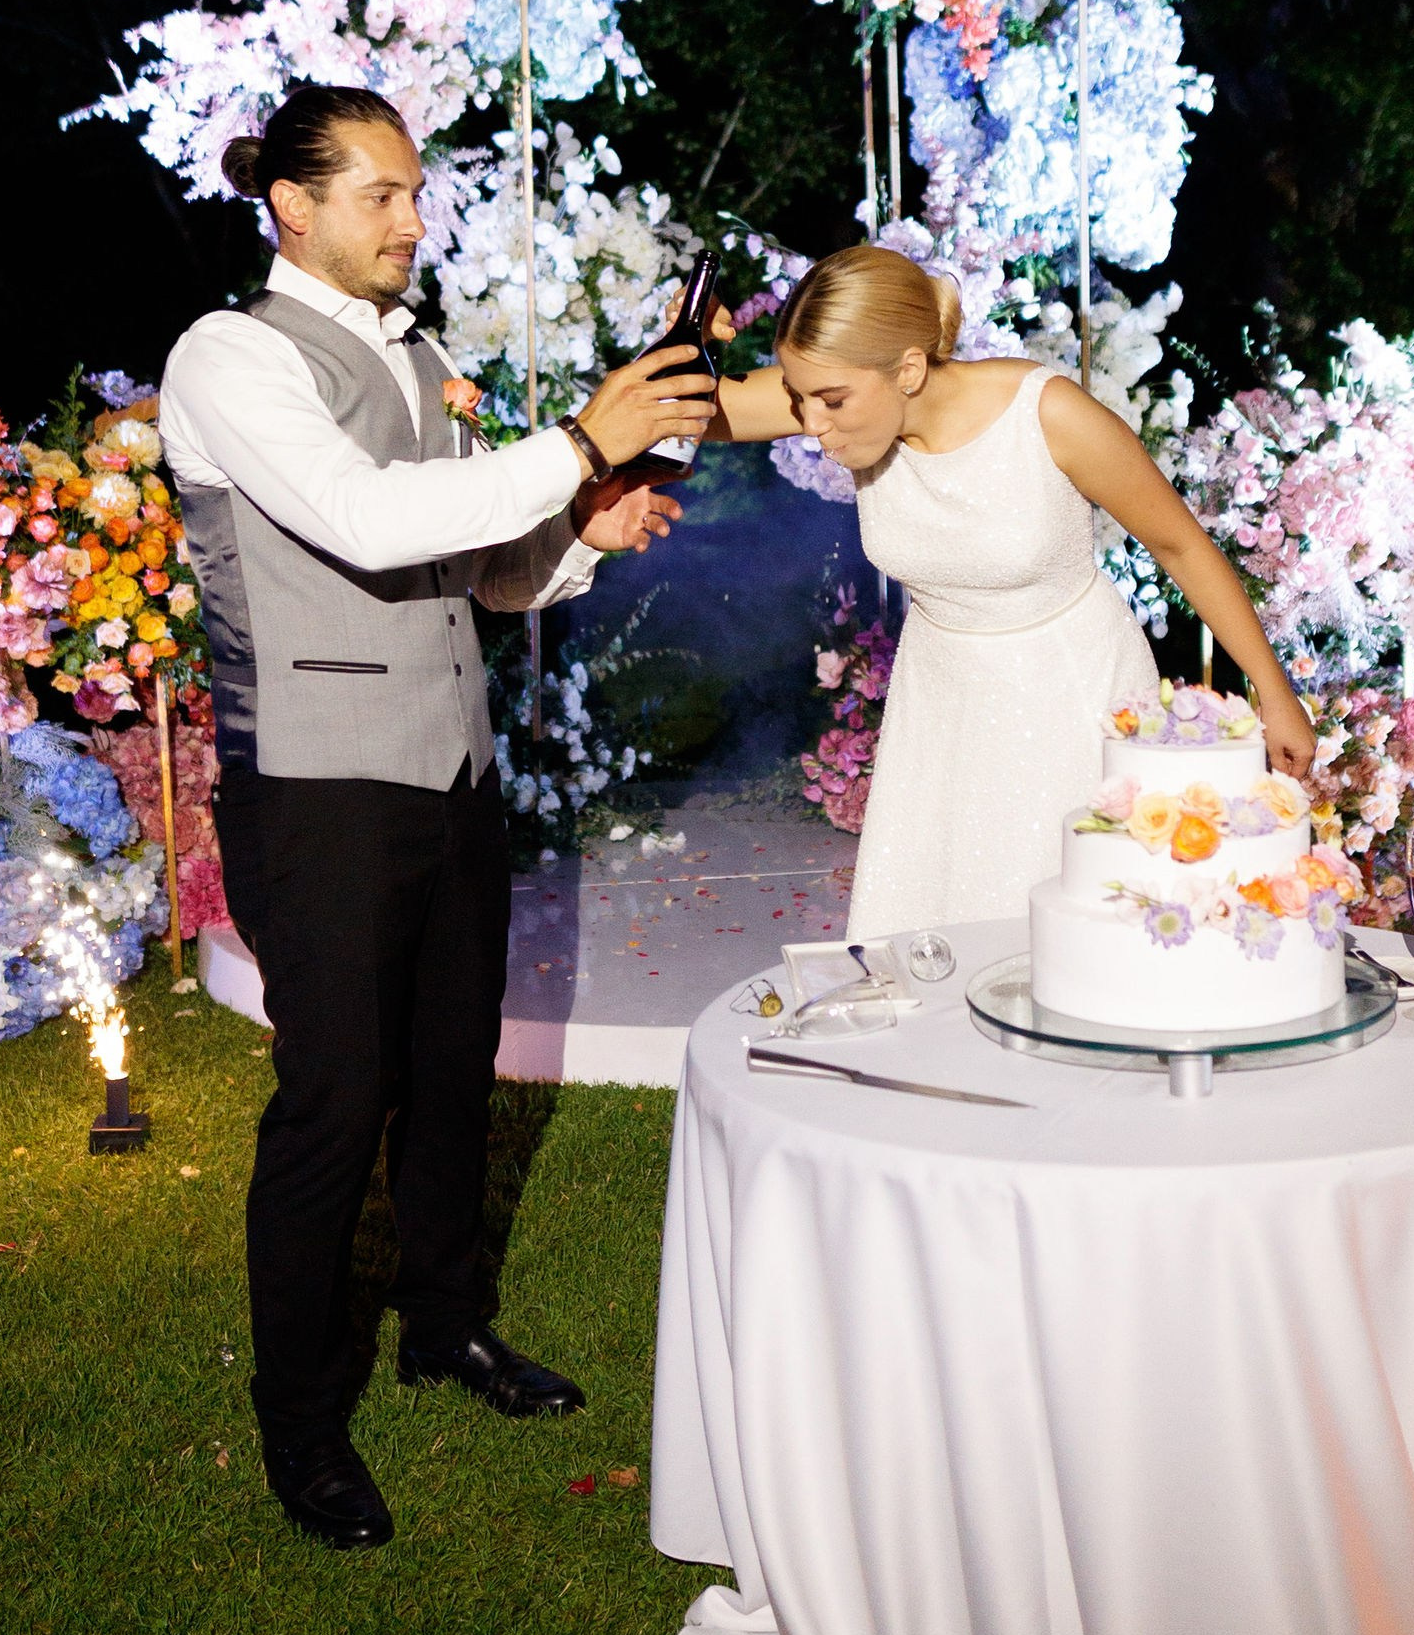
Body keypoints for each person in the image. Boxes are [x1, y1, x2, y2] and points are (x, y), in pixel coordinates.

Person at [159, 80, 714, 1551]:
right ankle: (301, 1418)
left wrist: (577, 533)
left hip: (449, 774)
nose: (414, 220)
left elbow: (478, 569)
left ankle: (446, 1325)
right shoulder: (230, 357)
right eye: (382, 195)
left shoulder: (419, 358)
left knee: (452, 1075)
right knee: (337, 1105)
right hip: (319, 791)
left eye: (416, 193)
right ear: (293, 206)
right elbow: (365, 522)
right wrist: (583, 440)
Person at [711, 246, 1316, 940]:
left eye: (831, 401)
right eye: (800, 400)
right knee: (934, 938)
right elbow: (690, 411)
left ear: (908, 369)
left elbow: (1181, 545)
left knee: (1072, 943)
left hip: (1072, 697)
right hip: (940, 708)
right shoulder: (840, 393)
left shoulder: (1048, 414)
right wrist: (690, 344)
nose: (811, 425)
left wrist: (1274, 693)